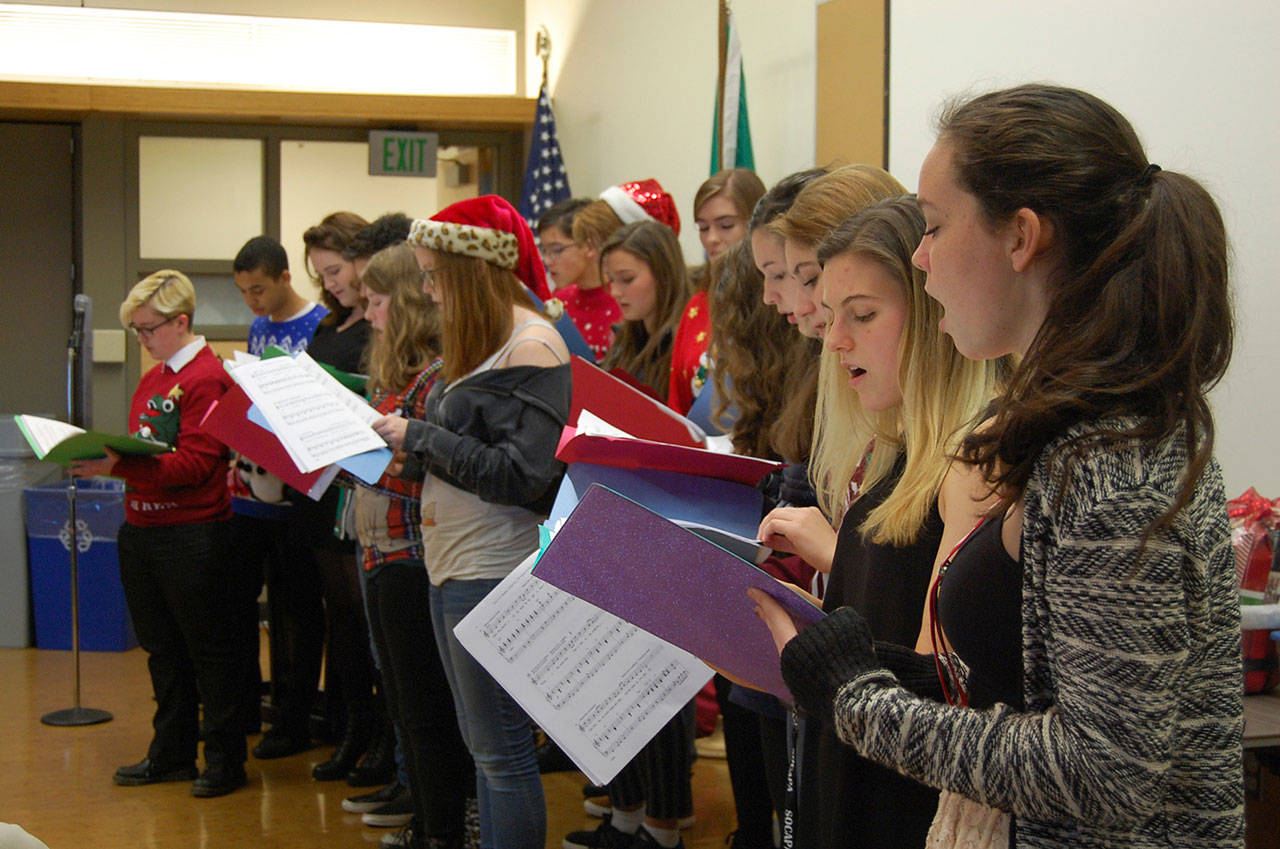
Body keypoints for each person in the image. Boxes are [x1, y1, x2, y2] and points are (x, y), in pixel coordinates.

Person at [754, 84, 1244, 848]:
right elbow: (1027, 686)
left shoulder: (1112, 460)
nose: (920, 257)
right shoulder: (1068, 435)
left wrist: (857, 696)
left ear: (1020, 238)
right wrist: (862, 667)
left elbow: (1102, 770)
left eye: (936, 226)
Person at [756, 196, 1003, 849]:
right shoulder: (900, 451)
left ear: (930, 316)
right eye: (832, 316)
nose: (835, 339)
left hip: (894, 790)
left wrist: (814, 654)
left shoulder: (971, 465)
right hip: (854, 759)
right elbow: (875, 624)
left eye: (862, 315)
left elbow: (932, 692)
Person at [375, 195, 570, 849]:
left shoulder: (533, 345)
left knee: (501, 750)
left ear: (470, 269)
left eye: (434, 275)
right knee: (481, 742)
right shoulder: (492, 340)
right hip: (455, 559)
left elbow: (523, 476)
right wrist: (398, 452)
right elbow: (471, 460)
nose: (428, 291)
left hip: (492, 564)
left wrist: (418, 436)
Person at [72, 270, 249, 797]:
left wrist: (116, 468)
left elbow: (196, 465)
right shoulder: (155, 377)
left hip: (192, 535)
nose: (143, 340)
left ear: (181, 322)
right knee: (163, 652)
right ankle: (171, 754)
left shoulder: (206, 377)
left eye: (149, 329)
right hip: (144, 529)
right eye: (137, 331)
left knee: (209, 652)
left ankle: (223, 760)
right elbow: (150, 447)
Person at [353, 242, 475, 849]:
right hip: (380, 550)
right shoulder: (401, 373)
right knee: (402, 702)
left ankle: (446, 830)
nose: (368, 315)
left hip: (416, 557)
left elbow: (439, 474)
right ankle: (428, 823)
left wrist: (364, 461)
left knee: (428, 710)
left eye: (376, 302)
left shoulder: (439, 375)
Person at [230, 234, 330, 761]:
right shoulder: (258, 327)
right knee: (272, 602)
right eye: (245, 292)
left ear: (287, 278)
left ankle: (300, 711)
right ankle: (278, 702)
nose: (254, 302)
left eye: (260, 290)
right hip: (263, 481)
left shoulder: (317, 324)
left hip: (307, 484)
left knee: (301, 605)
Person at [297, 211, 385, 781]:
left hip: (361, 486)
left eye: (335, 270)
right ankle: (352, 729)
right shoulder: (327, 328)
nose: (329, 284)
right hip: (320, 487)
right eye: (320, 276)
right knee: (341, 622)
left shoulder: (377, 327)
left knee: (366, 619)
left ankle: (378, 739)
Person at [668, 168, 765, 415]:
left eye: (725, 225)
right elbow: (677, 400)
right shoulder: (698, 305)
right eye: (702, 228)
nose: (711, 238)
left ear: (756, 225)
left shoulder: (776, 304)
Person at [597, 220, 692, 405]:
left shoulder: (688, 345)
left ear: (663, 274)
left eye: (627, 279)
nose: (615, 292)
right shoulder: (625, 340)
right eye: (611, 280)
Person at [538, 198, 619, 361]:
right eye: (544, 251)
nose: (548, 261)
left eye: (556, 250)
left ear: (588, 246)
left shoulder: (623, 300)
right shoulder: (557, 304)